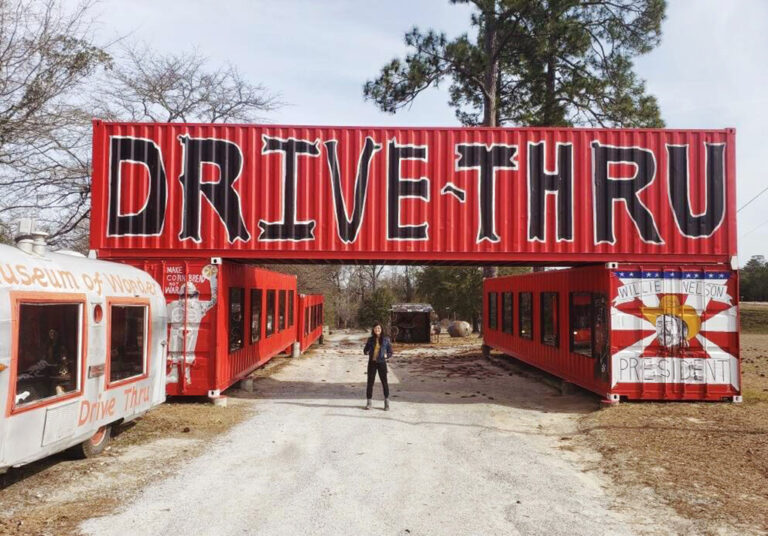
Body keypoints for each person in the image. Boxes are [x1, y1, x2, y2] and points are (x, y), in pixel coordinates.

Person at [363, 323, 393, 410]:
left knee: (384, 382)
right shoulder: (370, 339)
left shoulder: (386, 339)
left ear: (381, 329)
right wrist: (366, 352)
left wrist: (386, 356)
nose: (377, 330)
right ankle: (369, 403)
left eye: (379, 328)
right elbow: (365, 350)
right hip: (372, 363)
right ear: (373, 330)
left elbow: (390, 352)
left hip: (382, 363)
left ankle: (386, 403)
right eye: (375, 328)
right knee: (370, 383)